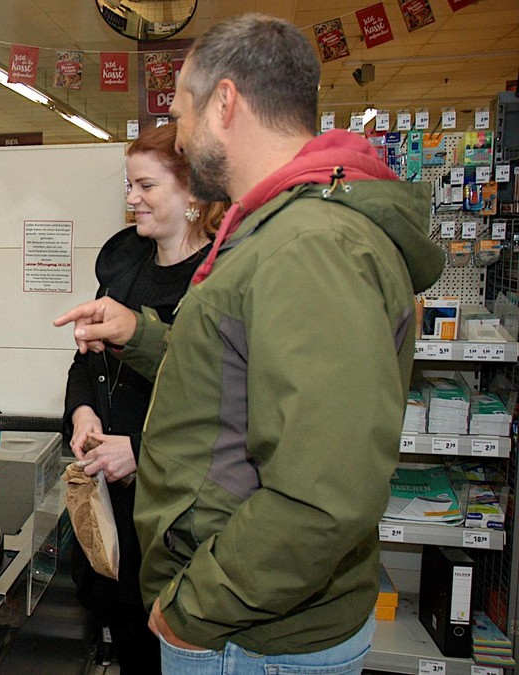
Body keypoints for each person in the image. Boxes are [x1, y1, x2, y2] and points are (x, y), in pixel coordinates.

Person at [54, 13, 444, 673]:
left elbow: (322, 494)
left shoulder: (309, 245)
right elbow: (238, 372)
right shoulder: (280, 231)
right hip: (248, 625)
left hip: (251, 639)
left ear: (225, 103)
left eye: (181, 112)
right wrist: (143, 334)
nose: (179, 133)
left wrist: (191, 609)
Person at [62, 122, 222, 671]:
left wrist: (142, 451)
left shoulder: (221, 282)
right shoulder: (123, 265)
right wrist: (82, 413)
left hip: (181, 523)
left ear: (195, 194)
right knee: (130, 645)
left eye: (146, 186)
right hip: (113, 514)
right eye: (128, 186)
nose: (131, 199)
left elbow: (224, 404)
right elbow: (87, 361)